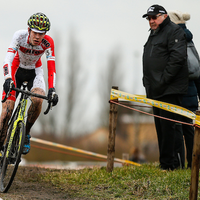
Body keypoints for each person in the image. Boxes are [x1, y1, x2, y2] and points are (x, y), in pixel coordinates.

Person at [0, 12, 58, 155]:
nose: (38, 37)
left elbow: (51, 67)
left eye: (41, 33)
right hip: (16, 71)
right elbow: (7, 59)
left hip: (35, 72)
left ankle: (26, 133)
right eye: (35, 33)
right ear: (29, 30)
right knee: (6, 113)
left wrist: (52, 89)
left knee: (38, 99)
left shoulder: (48, 42)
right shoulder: (19, 36)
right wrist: (7, 79)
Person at [142, 5, 188, 170]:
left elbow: (177, 58)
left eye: (154, 17)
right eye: (149, 18)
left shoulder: (174, 31)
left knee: (170, 130)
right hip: (156, 90)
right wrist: (148, 81)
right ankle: (165, 164)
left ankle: (171, 166)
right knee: (161, 129)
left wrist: (163, 81)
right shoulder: (155, 33)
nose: (151, 21)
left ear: (164, 16)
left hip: (169, 90)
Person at [168, 10, 200, 168]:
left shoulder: (175, 41)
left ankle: (179, 165)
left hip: (179, 93)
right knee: (190, 131)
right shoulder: (190, 42)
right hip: (192, 94)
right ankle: (193, 164)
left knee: (176, 129)